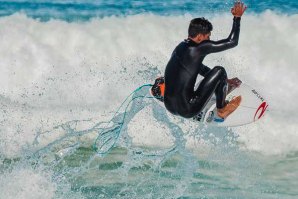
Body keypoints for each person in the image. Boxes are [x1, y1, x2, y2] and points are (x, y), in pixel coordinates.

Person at [152, 1, 247, 119]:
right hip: (188, 109)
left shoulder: (181, 47)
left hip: (169, 106)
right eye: (208, 36)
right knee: (220, 70)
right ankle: (222, 109)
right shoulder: (199, 48)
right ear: (199, 37)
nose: (209, 39)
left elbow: (200, 68)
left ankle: (159, 88)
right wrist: (237, 18)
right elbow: (232, 42)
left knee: (215, 74)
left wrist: (223, 81)